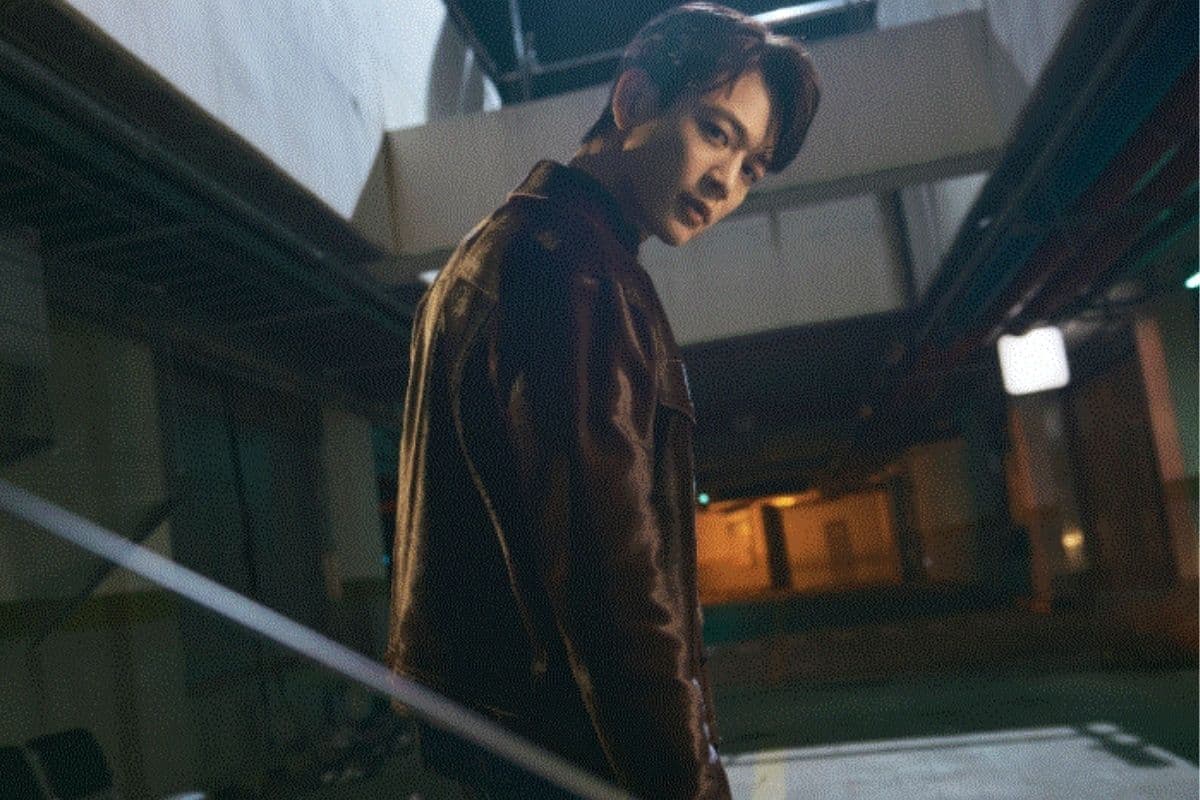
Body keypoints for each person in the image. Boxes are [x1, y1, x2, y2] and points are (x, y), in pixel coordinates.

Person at [386, 4, 820, 797]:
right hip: (568, 759)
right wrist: (690, 784)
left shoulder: (493, 254)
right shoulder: (577, 276)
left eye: (752, 169)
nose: (725, 182)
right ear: (633, 100)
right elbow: (612, 586)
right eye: (716, 132)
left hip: (493, 751)